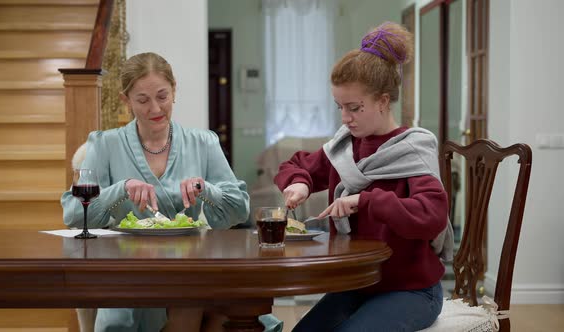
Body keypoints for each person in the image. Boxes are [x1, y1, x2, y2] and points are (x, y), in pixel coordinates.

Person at [61, 52, 282, 332]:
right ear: (125, 100)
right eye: (142, 100)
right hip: (127, 271)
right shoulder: (106, 144)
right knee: (192, 302)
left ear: (174, 90)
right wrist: (121, 189)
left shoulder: (203, 142)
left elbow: (238, 209)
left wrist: (205, 190)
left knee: (219, 310)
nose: (155, 108)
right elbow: (73, 214)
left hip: (191, 267)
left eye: (162, 96)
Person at [274, 22, 453, 332]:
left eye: (354, 108)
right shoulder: (345, 146)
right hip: (358, 284)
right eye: (340, 107)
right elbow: (296, 164)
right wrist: (300, 182)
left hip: (411, 289)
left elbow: (432, 215)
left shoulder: (413, 148)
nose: (345, 118)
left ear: (383, 101)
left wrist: (366, 200)